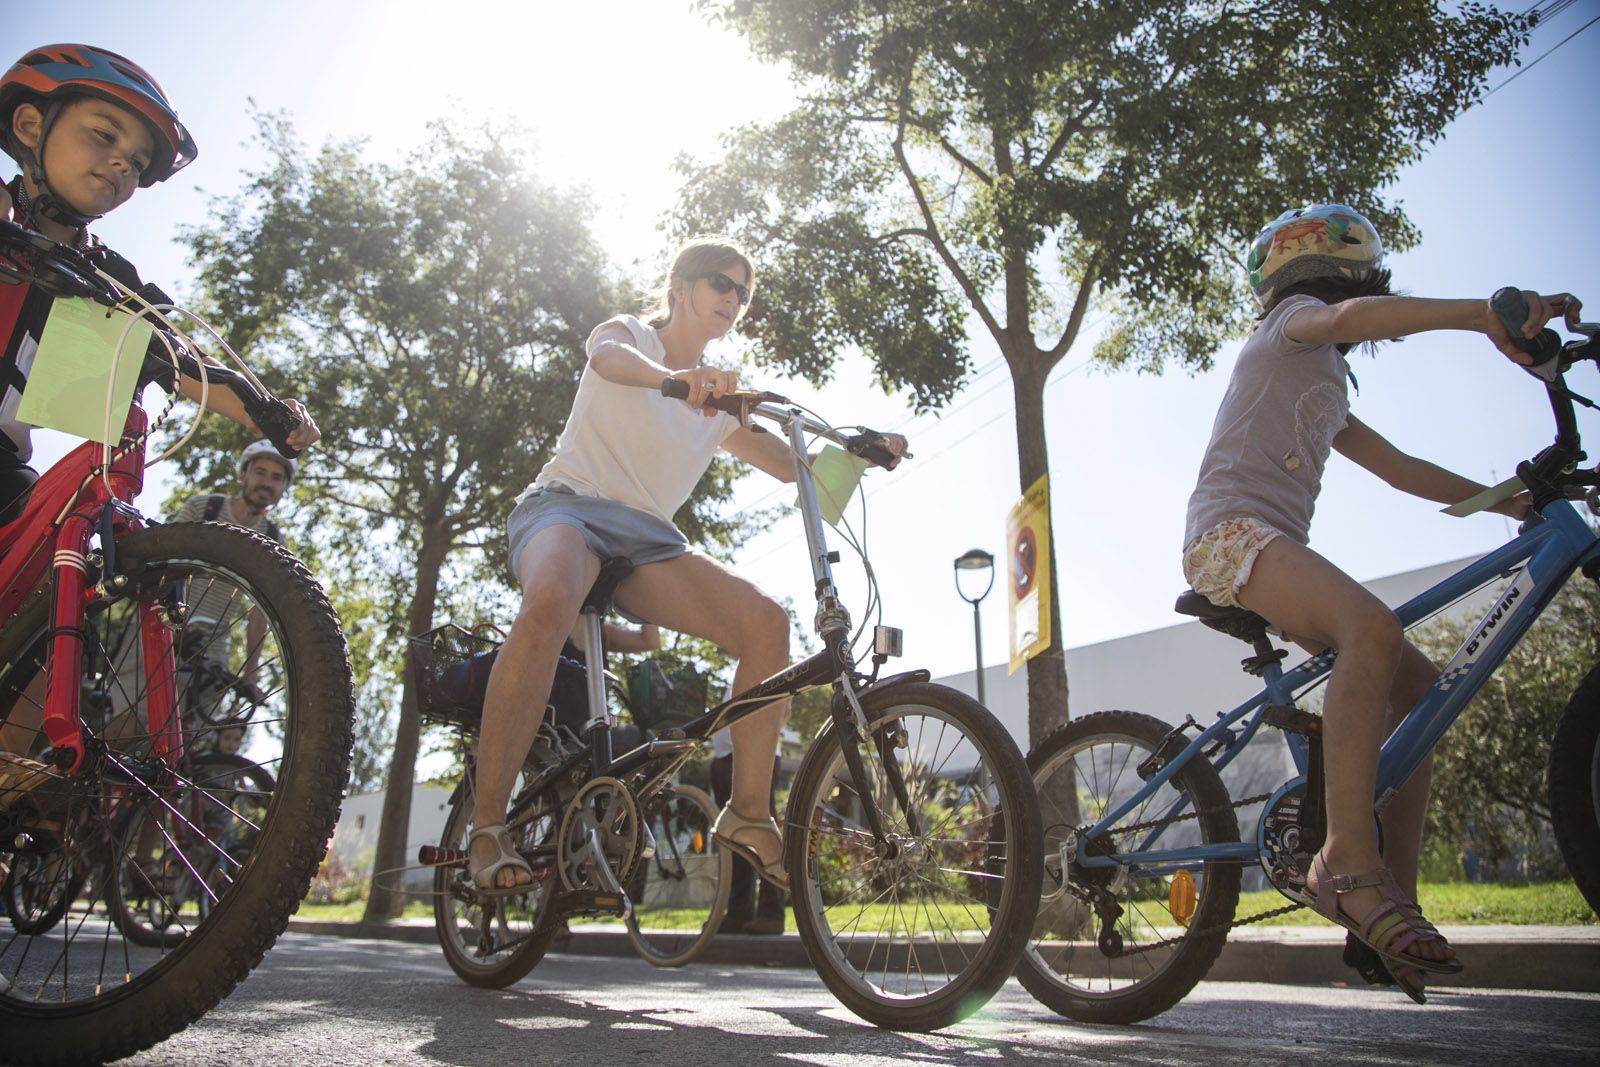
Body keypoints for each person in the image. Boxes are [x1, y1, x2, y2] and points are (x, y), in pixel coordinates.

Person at [1181, 203, 1573, 1003]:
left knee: (1420, 689)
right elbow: (1352, 315)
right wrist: (1480, 315)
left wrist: (1509, 502)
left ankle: (1392, 897)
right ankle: (1345, 859)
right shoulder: (1293, 325)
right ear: (1321, 272)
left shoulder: (1325, 382)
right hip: (1229, 536)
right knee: (1372, 626)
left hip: (1269, 543)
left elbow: (1400, 469)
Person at [468, 235, 905, 896]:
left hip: (645, 539)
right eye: (720, 284)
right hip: (567, 508)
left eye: (743, 292)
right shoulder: (631, 338)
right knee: (554, 592)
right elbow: (606, 360)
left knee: (765, 625)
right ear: (679, 286)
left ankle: (749, 814)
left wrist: (861, 447)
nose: (734, 299)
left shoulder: (720, 401)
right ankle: (486, 825)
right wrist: (676, 382)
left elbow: (794, 468)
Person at [0, 44, 319, 762]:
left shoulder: (102, 276)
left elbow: (183, 362)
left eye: (138, 163)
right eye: (104, 135)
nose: (121, 165)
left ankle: (12, 774)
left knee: (61, 584)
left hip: (5, 466)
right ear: (28, 125)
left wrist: (268, 413)